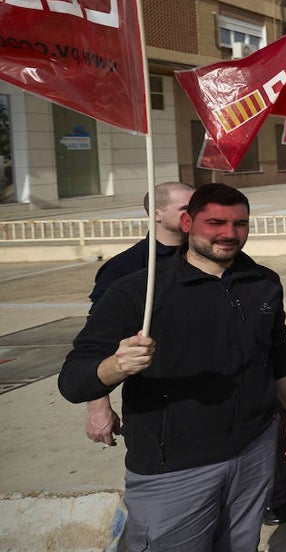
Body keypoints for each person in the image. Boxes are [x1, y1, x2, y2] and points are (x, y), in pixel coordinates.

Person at [59, 183, 286, 551]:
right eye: (215, 222)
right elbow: (73, 380)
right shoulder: (138, 291)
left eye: (240, 223)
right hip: (176, 470)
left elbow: (277, 353)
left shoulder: (263, 283)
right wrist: (115, 366)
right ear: (188, 222)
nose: (229, 233)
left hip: (253, 453)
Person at [83, 182, 193, 447]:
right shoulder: (124, 269)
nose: (197, 215)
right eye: (187, 209)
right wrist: (97, 405)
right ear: (156, 213)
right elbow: (97, 341)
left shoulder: (217, 257)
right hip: (160, 408)